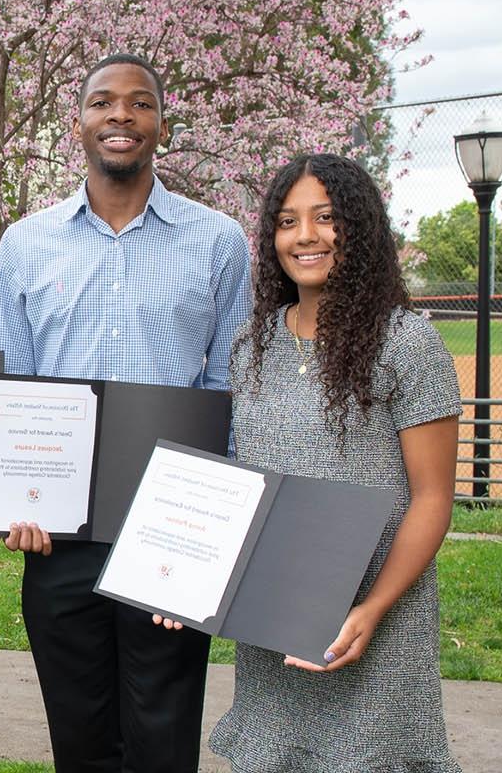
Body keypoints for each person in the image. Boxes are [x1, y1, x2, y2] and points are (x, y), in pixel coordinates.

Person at [0, 54, 251, 771]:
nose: (121, 116)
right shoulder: (25, 244)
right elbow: (9, 385)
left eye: (139, 104)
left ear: (162, 125)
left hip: (172, 533)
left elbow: (231, 384)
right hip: (58, 537)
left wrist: (214, 523)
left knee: (163, 740)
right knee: (80, 742)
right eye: (103, 102)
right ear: (77, 123)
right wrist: (12, 500)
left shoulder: (218, 241)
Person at [200, 154, 462, 771]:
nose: (305, 236)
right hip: (275, 621)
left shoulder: (406, 342)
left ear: (360, 226)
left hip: (377, 620)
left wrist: (370, 610)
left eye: (325, 217)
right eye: (288, 222)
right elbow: (244, 483)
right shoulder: (251, 345)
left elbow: (433, 498)